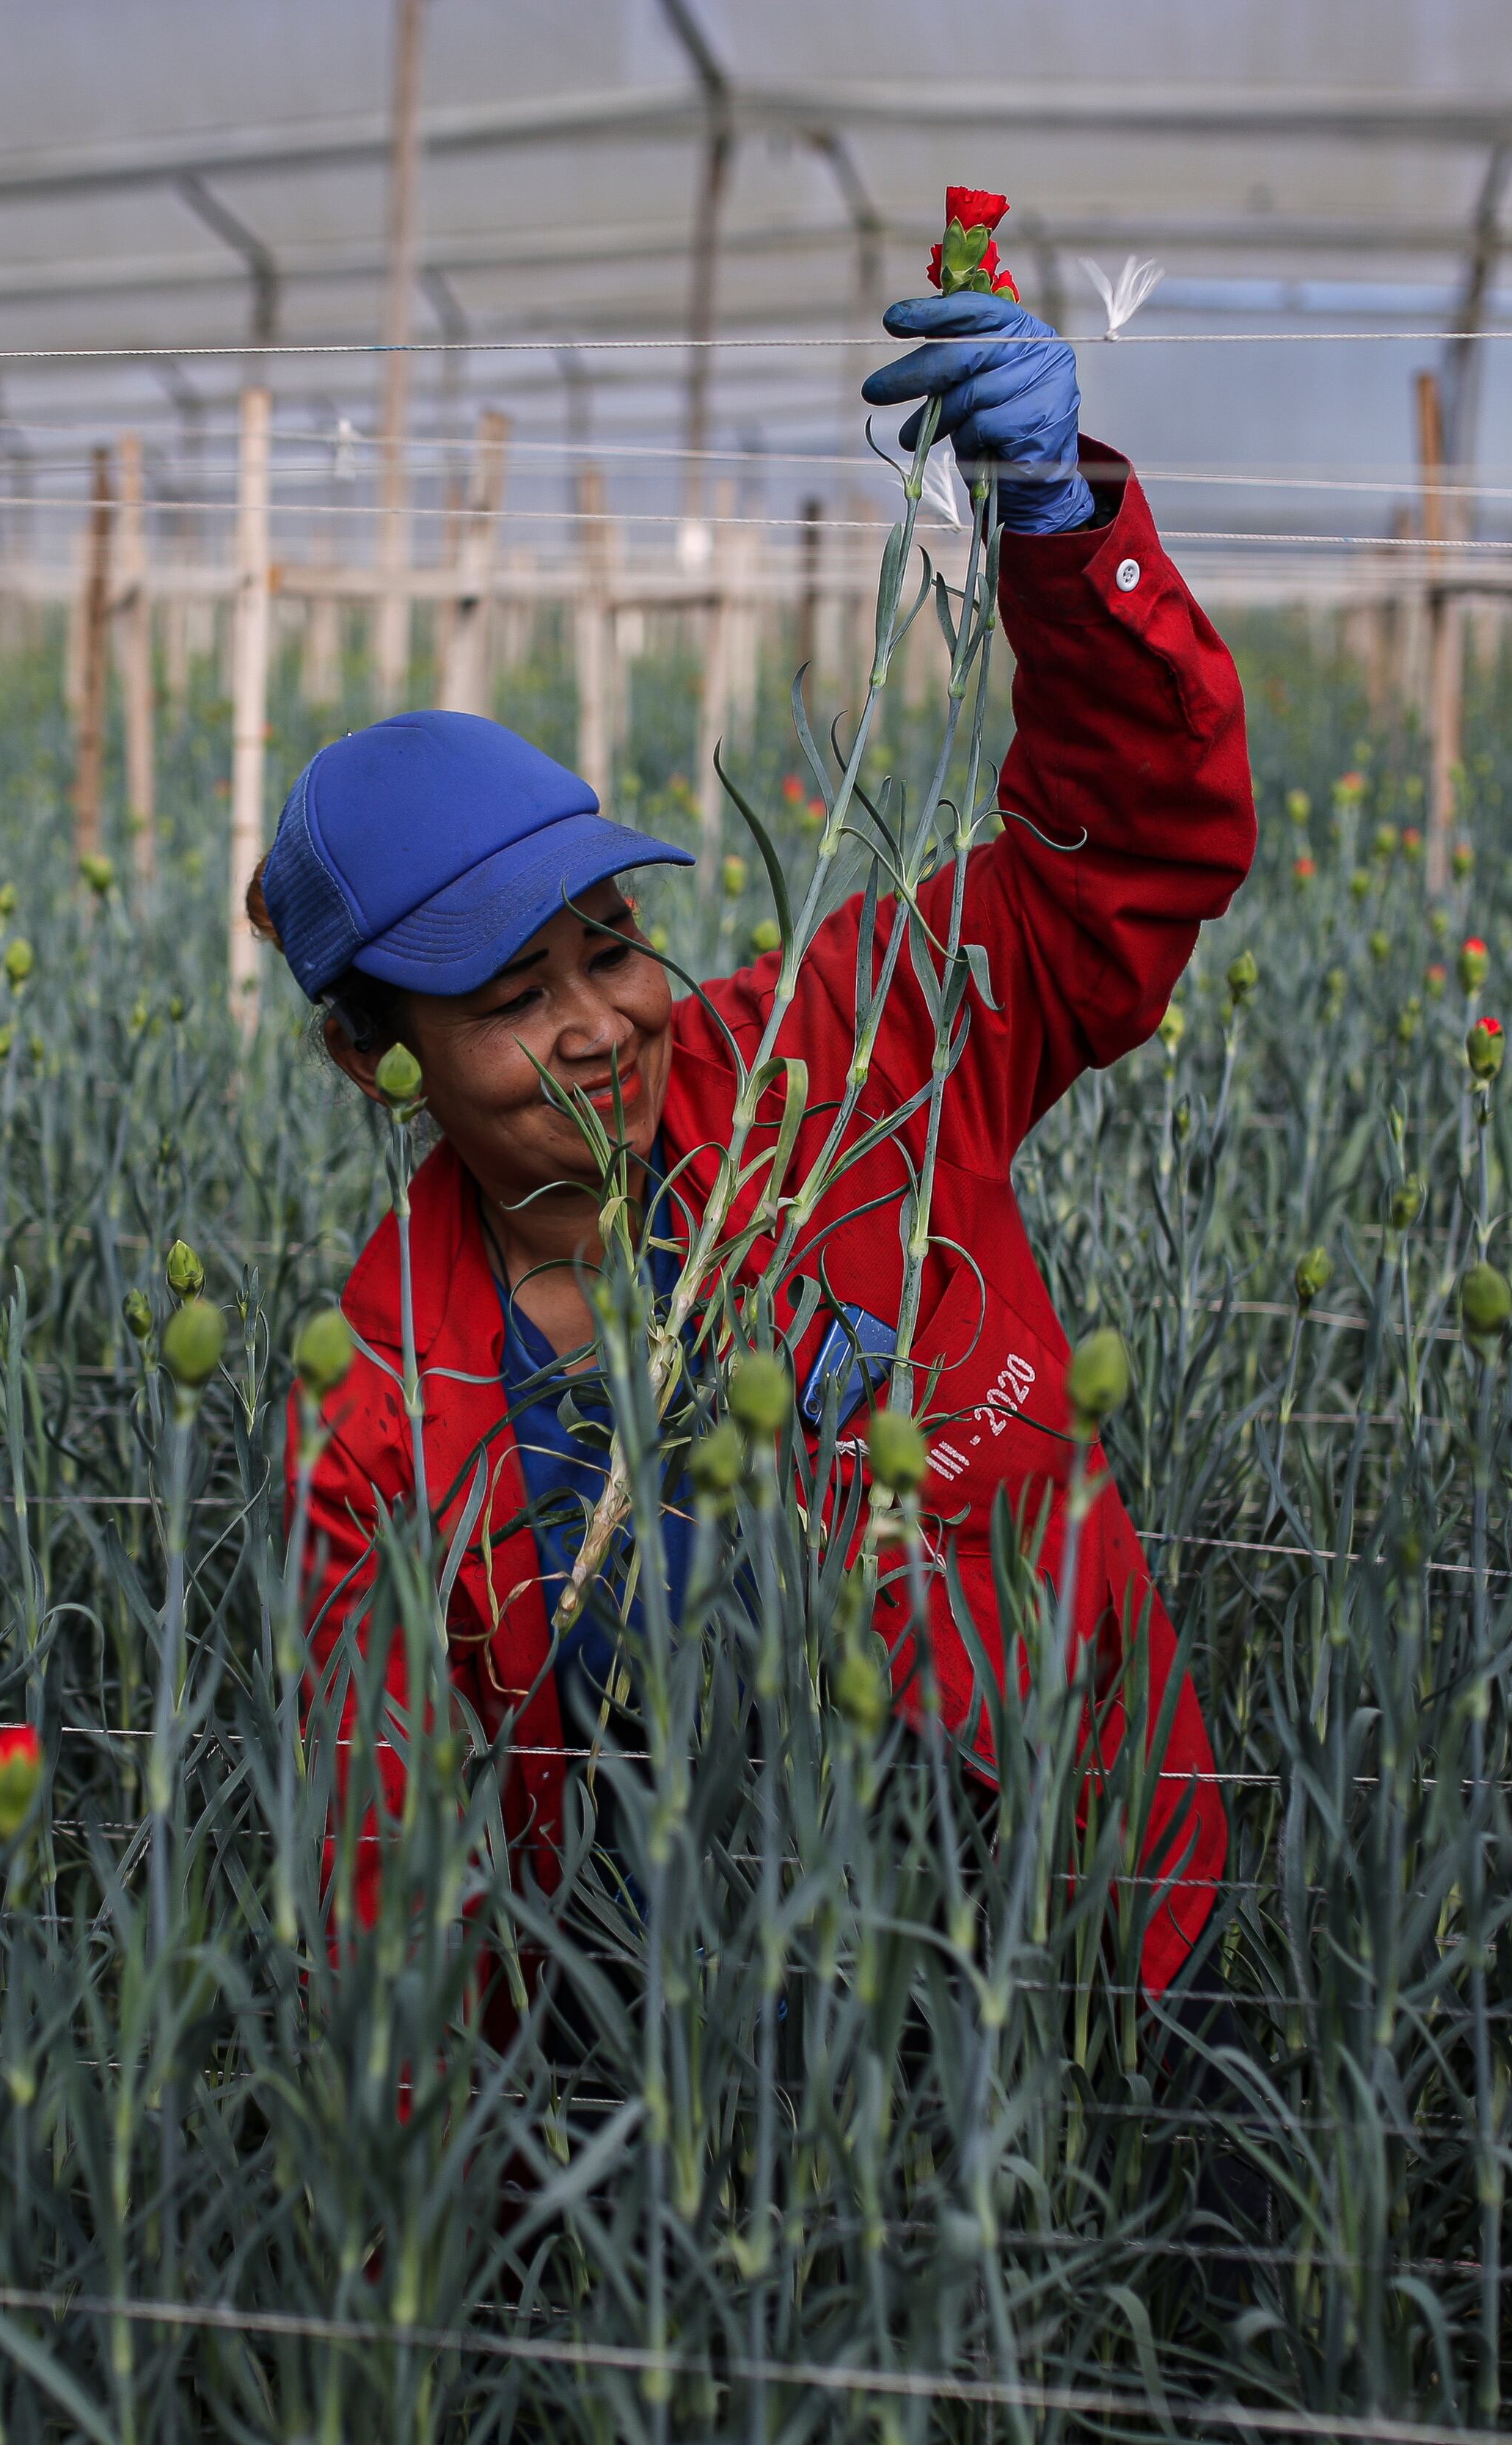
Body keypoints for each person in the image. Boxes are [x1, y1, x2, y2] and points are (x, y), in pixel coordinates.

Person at [257, 287, 1256, 2014]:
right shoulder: (375, 1424)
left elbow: (1126, 860)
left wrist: (1062, 531)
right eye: (510, 993)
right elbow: (389, 1882)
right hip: (687, 2102)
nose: (598, 1023)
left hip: (1082, 1951)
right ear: (375, 1058)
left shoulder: (842, 1039)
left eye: (609, 944)